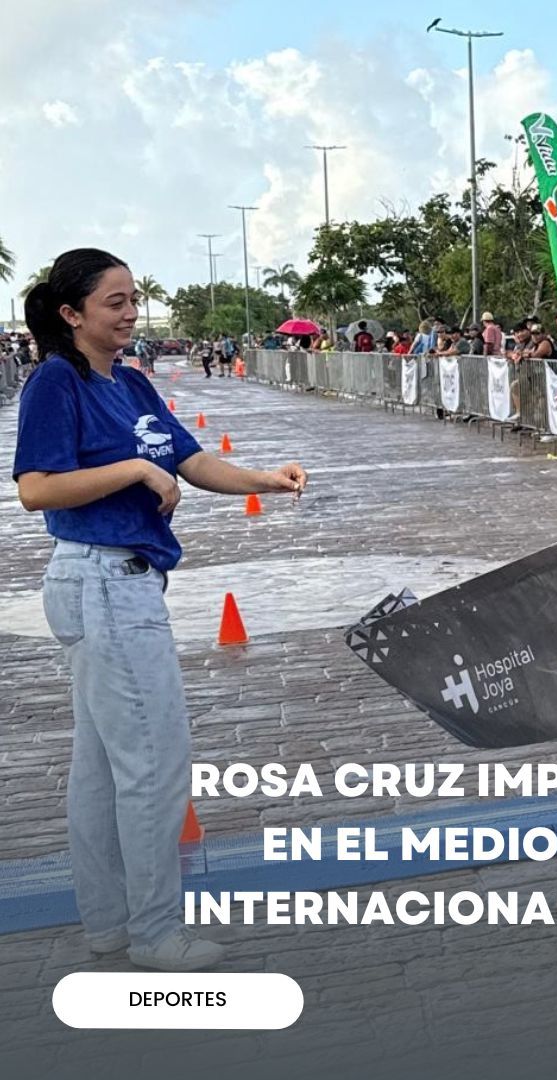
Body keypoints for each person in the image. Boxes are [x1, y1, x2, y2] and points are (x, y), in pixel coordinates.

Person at [14, 249, 307, 971]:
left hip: (124, 584)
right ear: (71, 314)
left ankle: (109, 923)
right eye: (114, 301)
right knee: (153, 763)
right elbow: (36, 488)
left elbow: (191, 460)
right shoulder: (57, 382)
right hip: (101, 580)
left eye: (133, 298)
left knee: (102, 766)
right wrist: (134, 471)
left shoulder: (134, 385)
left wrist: (265, 477)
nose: (130, 311)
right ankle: (155, 933)